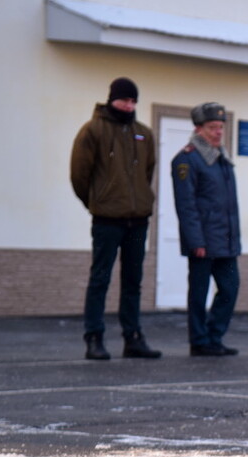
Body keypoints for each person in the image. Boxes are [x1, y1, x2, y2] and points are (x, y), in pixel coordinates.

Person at [70, 77, 161, 361]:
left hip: (138, 220)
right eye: (124, 100)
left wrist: (140, 201)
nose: (129, 105)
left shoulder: (144, 133)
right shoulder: (92, 131)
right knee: (100, 279)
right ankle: (94, 337)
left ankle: (132, 337)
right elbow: (79, 176)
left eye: (134, 101)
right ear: (112, 99)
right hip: (107, 220)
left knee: (133, 281)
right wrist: (97, 203)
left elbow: (148, 172)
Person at [171, 102, 241, 357]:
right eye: (212, 127)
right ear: (198, 128)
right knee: (199, 295)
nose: (218, 132)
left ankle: (214, 336)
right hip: (202, 243)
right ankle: (199, 341)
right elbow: (186, 205)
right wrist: (195, 241)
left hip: (226, 241)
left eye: (221, 127)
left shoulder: (222, 158)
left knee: (230, 288)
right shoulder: (187, 159)